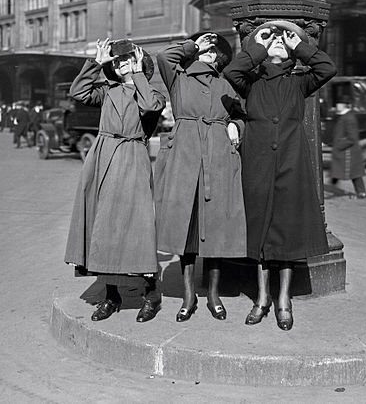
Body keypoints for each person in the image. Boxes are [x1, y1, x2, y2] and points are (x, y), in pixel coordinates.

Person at [224, 21, 337, 331]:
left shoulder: (299, 82)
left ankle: (283, 301)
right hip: (258, 164)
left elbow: (328, 68)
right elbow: (231, 72)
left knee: (286, 233)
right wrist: (257, 48)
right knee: (260, 234)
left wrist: (299, 45)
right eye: (270, 42)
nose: (276, 44)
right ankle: (261, 299)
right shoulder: (251, 82)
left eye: (281, 43)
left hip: (290, 163)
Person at [65, 38, 165, 323]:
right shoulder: (108, 91)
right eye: (118, 62)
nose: (122, 65)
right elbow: (79, 91)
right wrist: (95, 63)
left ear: (140, 64)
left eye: (128, 60)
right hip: (103, 157)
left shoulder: (150, 93)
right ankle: (111, 296)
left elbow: (150, 106)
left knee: (137, 227)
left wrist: (137, 75)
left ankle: (151, 295)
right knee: (103, 225)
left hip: (132, 158)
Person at [154, 32, 246, 322]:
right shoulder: (179, 78)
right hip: (185, 157)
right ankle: (188, 295)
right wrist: (193, 45)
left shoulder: (227, 83)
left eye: (213, 50)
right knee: (187, 230)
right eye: (204, 49)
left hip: (217, 158)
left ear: (220, 57)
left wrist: (236, 126)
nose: (208, 53)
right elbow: (163, 57)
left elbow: (244, 113)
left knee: (217, 228)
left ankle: (214, 295)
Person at [330, 101, 366, 199]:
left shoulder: (349, 118)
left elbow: (352, 137)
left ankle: (361, 192)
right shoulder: (344, 115)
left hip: (348, 151)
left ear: (343, 105)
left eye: (338, 103)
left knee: (354, 173)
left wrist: (339, 145)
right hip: (346, 149)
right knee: (352, 172)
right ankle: (332, 184)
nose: (337, 105)